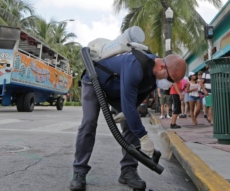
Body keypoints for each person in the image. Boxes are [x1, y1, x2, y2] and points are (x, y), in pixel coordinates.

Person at [70, 53, 186, 191]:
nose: (168, 84)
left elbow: (137, 99)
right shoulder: (135, 65)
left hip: (117, 89)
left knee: (131, 125)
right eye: (170, 79)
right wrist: (143, 136)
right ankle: (79, 171)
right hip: (94, 81)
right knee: (89, 123)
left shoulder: (154, 77)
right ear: (161, 66)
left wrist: (127, 114)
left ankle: (128, 171)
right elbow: (128, 103)